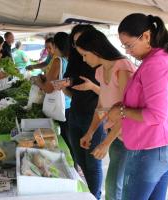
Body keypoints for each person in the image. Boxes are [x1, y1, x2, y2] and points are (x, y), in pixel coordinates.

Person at [108, 13, 168, 200]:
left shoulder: (155, 64)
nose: (127, 51)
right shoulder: (163, 58)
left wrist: (121, 111)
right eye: (124, 46)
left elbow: (156, 115)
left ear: (146, 36)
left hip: (153, 148)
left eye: (129, 45)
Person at [75, 29, 136, 200]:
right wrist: (90, 132)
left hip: (131, 138)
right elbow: (101, 106)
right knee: (115, 186)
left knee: (115, 186)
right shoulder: (101, 71)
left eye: (85, 54)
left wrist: (105, 144)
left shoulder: (123, 68)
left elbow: (127, 111)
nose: (83, 59)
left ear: (95, 50)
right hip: (117, 135)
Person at [63, 24, 105, 199]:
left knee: (93, 163)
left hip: (94, 116)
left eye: (82, 42)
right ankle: (89, 193)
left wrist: (92, 86)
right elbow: (72, 87)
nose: (80, 50)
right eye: (75, 43)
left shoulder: (105, 62)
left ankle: (94, 195)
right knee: (80, 160)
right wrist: (64, 86)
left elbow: (112, 96)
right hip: (75, 113)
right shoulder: (76, 59)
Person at [34, 32, 71, 159]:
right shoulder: (69, 59)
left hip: (59, 106)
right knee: (69, 140)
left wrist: (38, 81)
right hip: (68, 104)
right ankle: (74, 165)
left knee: (64, 140)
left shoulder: (57, 60)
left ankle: (70, 166)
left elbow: (49, 89)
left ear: (55, 46)